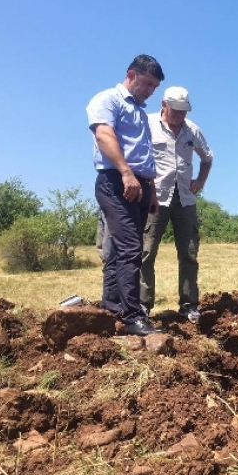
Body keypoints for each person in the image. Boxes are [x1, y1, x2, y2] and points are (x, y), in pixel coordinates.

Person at [86, 54, 166, 335]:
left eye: (154, 87)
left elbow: (144, 156)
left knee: (122, 249)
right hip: (117, 182)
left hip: (140, 184)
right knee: (131, 247)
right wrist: (125, 173)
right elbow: (104, 136)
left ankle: (111, 308)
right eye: (146, 84)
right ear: (130, 74)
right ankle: (133, 316)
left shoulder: (141, 113)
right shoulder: (108, 100)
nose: (149, 91)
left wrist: (151, 191)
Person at [140, 86, 213, 323]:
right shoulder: (148, 124)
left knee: (189, 253)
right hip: (155, 198)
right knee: (146, 252)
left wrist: (200, 180)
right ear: (164, 104)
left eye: (184, 111)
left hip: (185, 199)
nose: (181, 115)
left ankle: (189, 305)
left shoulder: (193, 130)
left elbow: (207, 157)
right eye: (176, 110)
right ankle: (142, 305)